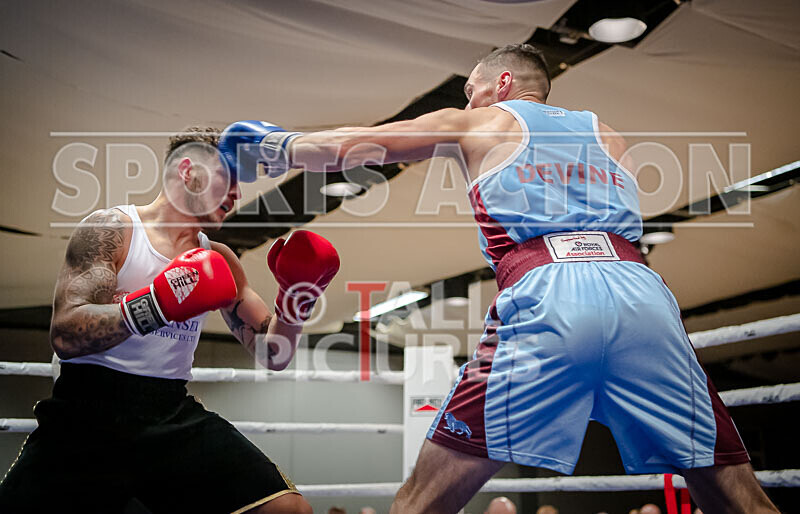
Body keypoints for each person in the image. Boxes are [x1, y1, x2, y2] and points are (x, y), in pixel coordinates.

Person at [220, 44, 779, 514]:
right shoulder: (608, 134)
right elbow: (625, 233)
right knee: (738, 498)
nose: (466, 99)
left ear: (502, 82)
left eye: (471, 88)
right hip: (646, 302)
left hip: (550, 298)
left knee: (420, 501)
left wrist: (273, 146)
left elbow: (359, 145)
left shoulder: (481, 119)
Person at [0, 128, 340, 513]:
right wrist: (158, 304)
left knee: (287, 510)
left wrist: (297, 300)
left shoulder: (221, 258)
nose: (237, 195)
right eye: (229, 180)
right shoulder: (114, 230)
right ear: (187, 170)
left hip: (168, 412)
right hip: (84, 413)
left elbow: (274, 354)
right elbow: (65, 333)